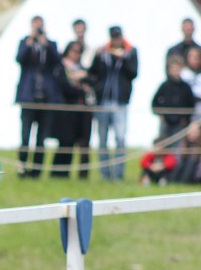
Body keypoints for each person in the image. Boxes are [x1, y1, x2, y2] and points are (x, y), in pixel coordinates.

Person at [14, 15, 62, 178]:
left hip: (46, 98)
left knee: (41, 138)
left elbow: (58, 61)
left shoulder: (51, 44)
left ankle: (36, 170)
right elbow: (19, 58)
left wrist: (45, 43)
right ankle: (22, 168)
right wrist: (30, 42)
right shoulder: (25, 42)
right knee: (25, 136)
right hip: (28, 97)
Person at [89, 26, 139, 181]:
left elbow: (134, 73)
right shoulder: (103, 52)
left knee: (120, 139)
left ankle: (118, 174)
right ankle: (105, 174)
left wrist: (123, 59)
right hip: (102, 102)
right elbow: (93, 73)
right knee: (102, 139)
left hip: (120, 102)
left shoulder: (131, 52)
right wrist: (96, 56)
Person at [51, 40, 93, 178]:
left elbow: (92, 81)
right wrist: (81, 89)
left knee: (81, 142)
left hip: (81, 111)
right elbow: (64, 87)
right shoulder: (61, 67)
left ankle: (81, 174)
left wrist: (82, 80)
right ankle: (59, 173)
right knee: (65, 142)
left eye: (79, 51)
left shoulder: (82, 68)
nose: (77, 54)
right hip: (66, 111)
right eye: (74, 51)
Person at [151, 55, 195, 143]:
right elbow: (154, 102)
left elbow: (191, 104)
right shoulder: (165, 85)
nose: (175, 71)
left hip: (179, 123)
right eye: (173, 68)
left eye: (177, 68)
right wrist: (160, 114)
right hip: (166, 122)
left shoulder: (186, 87)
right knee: (163, 145)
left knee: (177, 146)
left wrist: (185, 119)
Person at [179, 46, 201, 122]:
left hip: (199, 105)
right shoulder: (183, 73)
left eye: (197, 57)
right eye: (192, 57)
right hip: (184, 107)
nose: (195, 60)